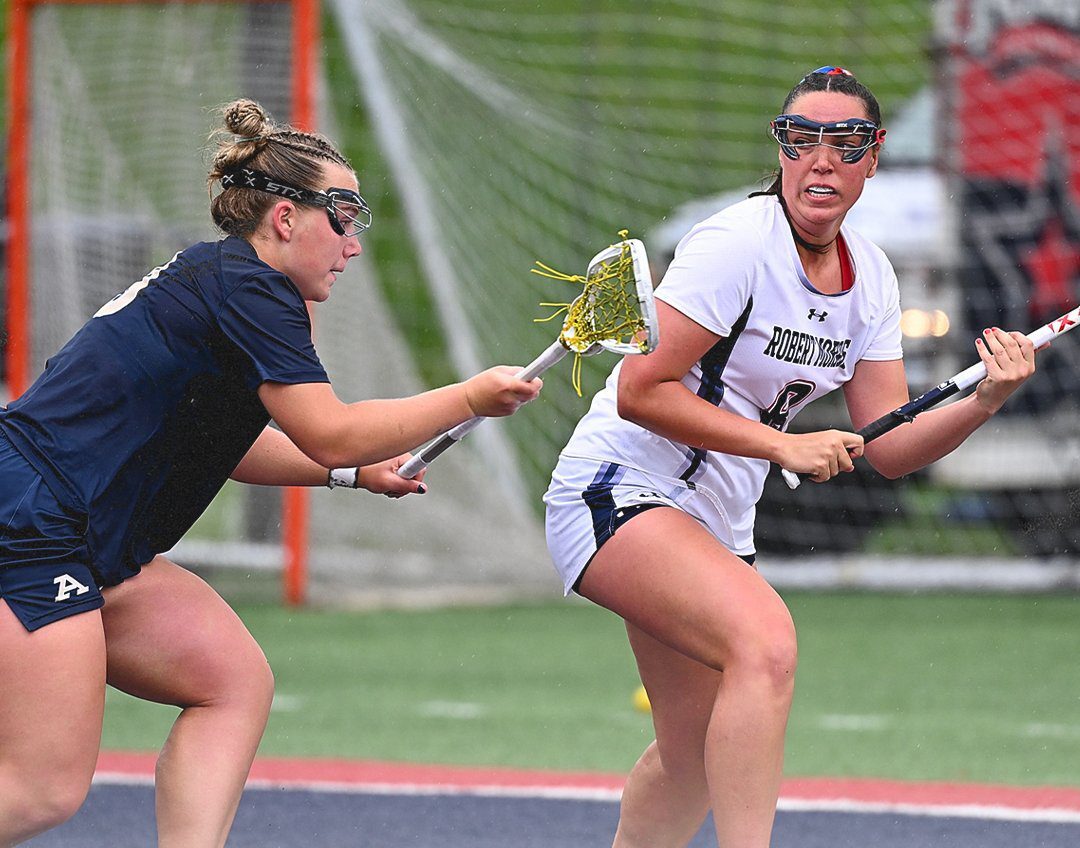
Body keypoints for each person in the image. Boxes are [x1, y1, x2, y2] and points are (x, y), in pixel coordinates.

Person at [0, 99, 542, 847]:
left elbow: (228, 444)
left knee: (230, 682)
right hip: (32, 525)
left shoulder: (231, 282)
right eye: (343, 214)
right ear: (284, 218)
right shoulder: (252, 288)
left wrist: (351, 477)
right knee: (40, 790)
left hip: (82, 535)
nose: (354, 242)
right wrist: (469, 396)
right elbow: (330, 432)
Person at [543, 66, 1038, 847]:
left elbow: (892, 448)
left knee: (691, 760)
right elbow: (641, 390)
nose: (821, 159)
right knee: (765, 644)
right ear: (780, 151)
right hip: (621, 487)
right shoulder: (736, 243)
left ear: (872, 159)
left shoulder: (870, 276)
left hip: (715, 521)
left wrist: (984, 402)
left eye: (846, 143)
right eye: (799, 138)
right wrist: (783, 444)